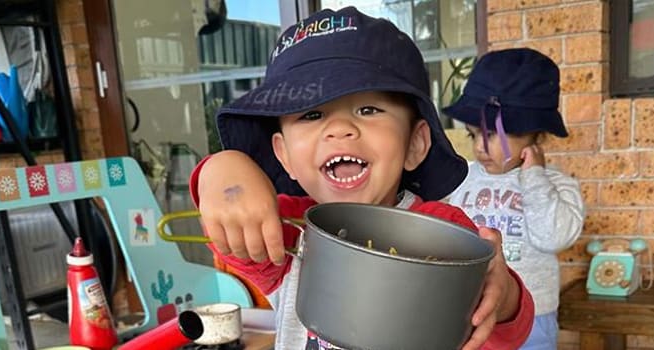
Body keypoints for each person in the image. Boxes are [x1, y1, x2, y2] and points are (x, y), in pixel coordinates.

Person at [188, 7, 534, 350]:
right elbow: (228, 232)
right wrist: (222, 168)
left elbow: (503, 334)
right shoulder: (290, 231)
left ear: (415, 144)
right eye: (312, 114)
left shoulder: (442, 233)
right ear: (284, 156)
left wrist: (501, 298)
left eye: (368, 110)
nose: (339, 128)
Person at [444, 48, 586, 350]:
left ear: (534, 135)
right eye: (472, 135)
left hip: (534, 316)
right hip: (472, 311)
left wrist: (534, 178)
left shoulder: (557, 186)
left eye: (492, 135)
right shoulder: (461, 178)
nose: (480, 147)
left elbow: (553, 237)